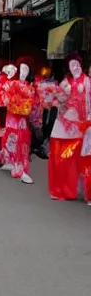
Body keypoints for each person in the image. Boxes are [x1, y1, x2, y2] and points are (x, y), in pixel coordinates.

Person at [48, 53, 91, 202]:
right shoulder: (65, 83)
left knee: (77, 160)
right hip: (63, 124)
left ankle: (74, 190)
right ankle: (59, 189)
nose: (75, 67)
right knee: (60, 158)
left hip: (81, 126)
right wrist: (55, 97)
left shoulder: (87, 82)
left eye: (77, 64)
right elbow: (56, 101)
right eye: (72, 65)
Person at [1, 58, 37, 184]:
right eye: (21, 68)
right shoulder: (12, 84)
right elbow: (6, 98)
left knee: (22, 141)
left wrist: (21, 104)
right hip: (13, 117)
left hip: (21, 118)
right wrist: (16, 103)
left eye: (26, 69)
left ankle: (21, 168)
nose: (23, 72)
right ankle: (14, 163)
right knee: (13, 139)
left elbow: (32, 103)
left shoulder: (30, 88)